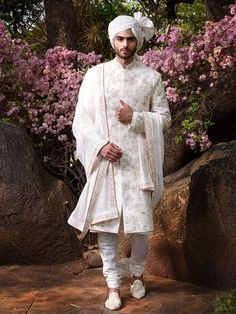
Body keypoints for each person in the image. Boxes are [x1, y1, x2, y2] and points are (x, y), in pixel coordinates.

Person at [68, 12, 171, 311]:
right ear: (112, 40)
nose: (125, 44)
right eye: (120, 38)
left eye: (131, 39)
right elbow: (81, 121)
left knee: (140, 229)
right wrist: (100, 145)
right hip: (107, 165)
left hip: (140, 165)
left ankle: (137, 275)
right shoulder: (95, 75)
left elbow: (164, 120)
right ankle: (113, 285)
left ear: (138, 40)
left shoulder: (151, 78)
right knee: (107, 228)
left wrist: (136, 118)